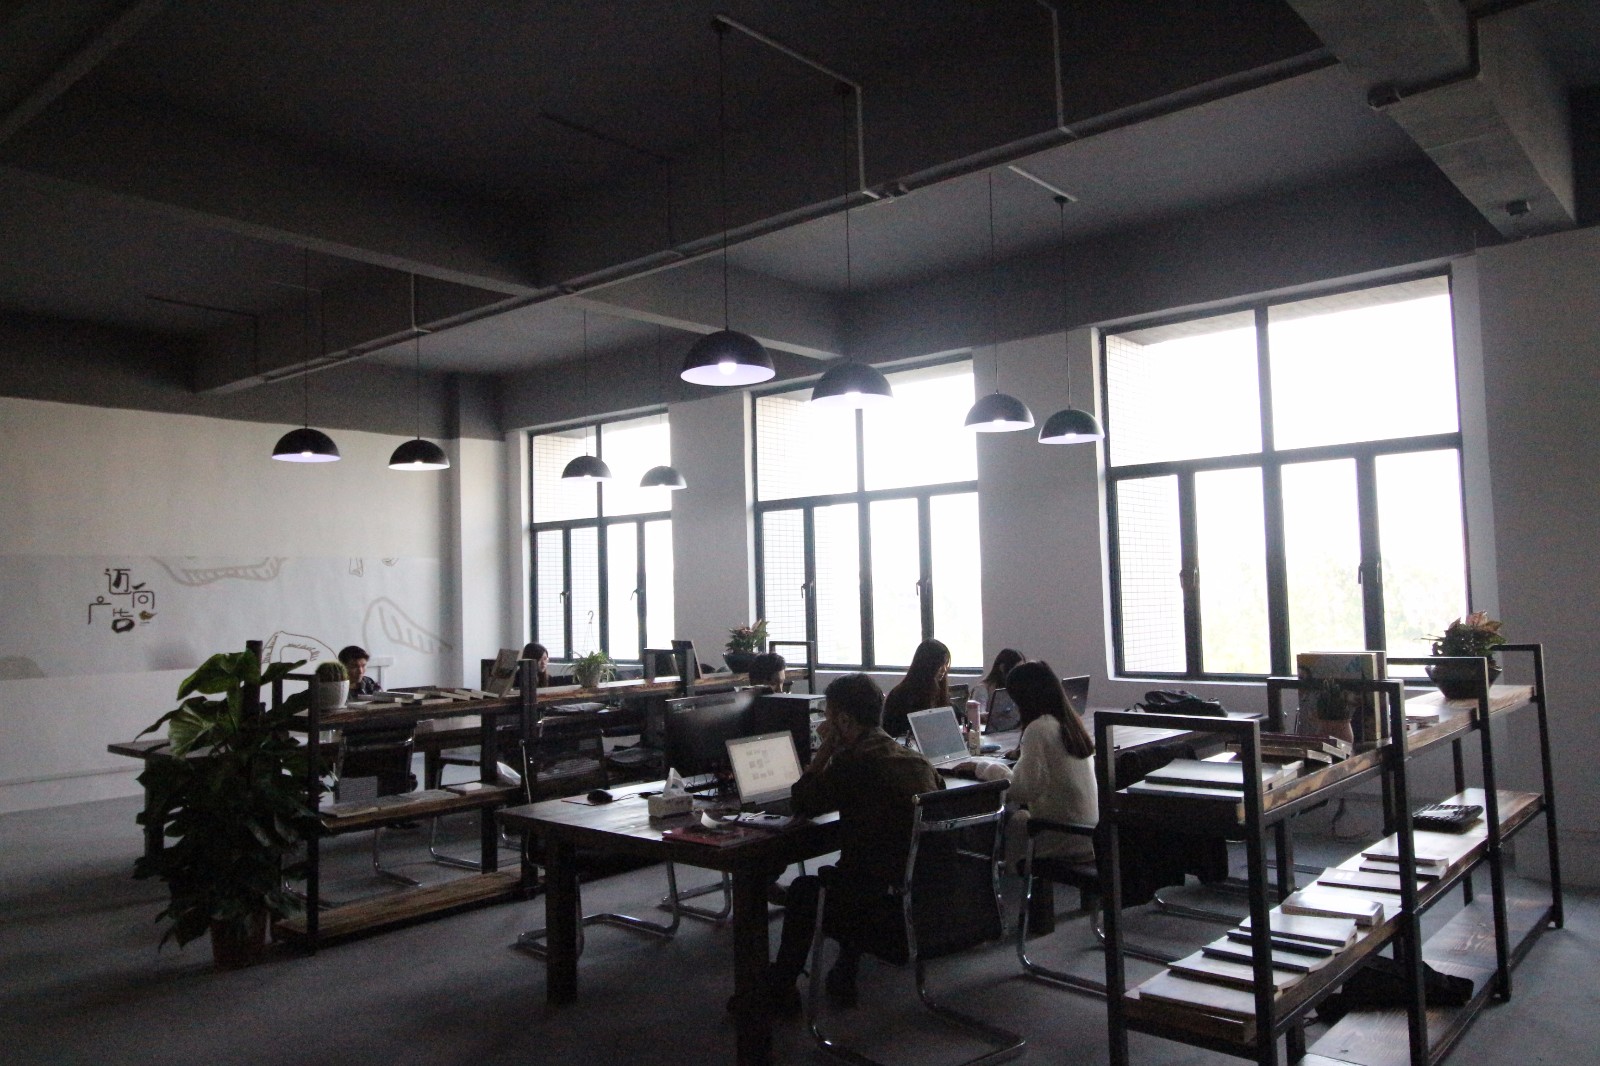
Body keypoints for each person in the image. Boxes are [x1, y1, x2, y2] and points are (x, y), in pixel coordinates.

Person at [752, 673, 942, 1017]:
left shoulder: (855, 763)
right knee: (853, 872)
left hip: (879, 908)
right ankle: (845, 971)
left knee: (808, 890)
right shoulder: (916, 761)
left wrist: (824, 751)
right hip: (925, 898)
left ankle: (780, 988)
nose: (825, 724)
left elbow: (803, 801)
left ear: (843, 720)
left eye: (828, 717)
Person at [977, 659, 1097, 866]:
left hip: (1060, 837)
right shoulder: (1070, 725)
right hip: (1090, 836)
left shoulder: (1038, 729)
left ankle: (1001, 877)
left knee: (1015, 819)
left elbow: (1021, 790)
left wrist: (984, 768)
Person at [881, 638, 952, 738]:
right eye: (940, 665)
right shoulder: (901, 695)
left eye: (946, 664)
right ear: (928, 666)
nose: (944, 669)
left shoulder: (939, 692)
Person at [969, 647, 1024, 733]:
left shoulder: (1015, 688)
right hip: (993, 735)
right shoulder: (982, 689)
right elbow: (979, 714)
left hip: (1012, 732)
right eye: (1016, 670)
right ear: (1002, 668)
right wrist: (991, 716)